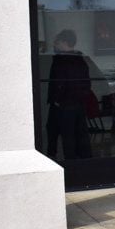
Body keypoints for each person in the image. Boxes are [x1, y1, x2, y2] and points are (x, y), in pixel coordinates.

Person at [46, 29, 93, 159]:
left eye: (56, 42)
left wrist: (57, 100)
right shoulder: (80, 60)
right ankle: (80, 163)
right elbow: (86, 83)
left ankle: (60, 160)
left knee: (63, 135)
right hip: (76, 104)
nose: (54, 45)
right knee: (77, 135)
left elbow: (59, 83)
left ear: (63, 42)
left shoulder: (61, 61)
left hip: (63, 105)